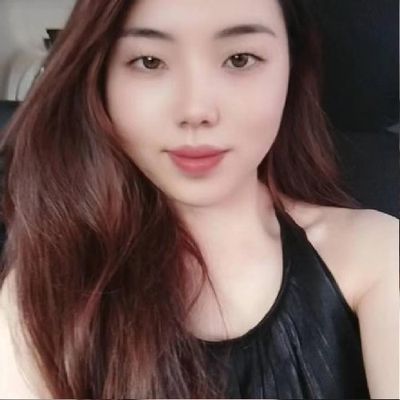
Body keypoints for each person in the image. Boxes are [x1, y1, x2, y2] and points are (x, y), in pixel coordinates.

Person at [0, 0, 398, 398]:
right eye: (150, 62)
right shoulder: (45, 288)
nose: (196, 110)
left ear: (291, 69)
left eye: (240, 59)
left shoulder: (374, 253)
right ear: (100, 79)